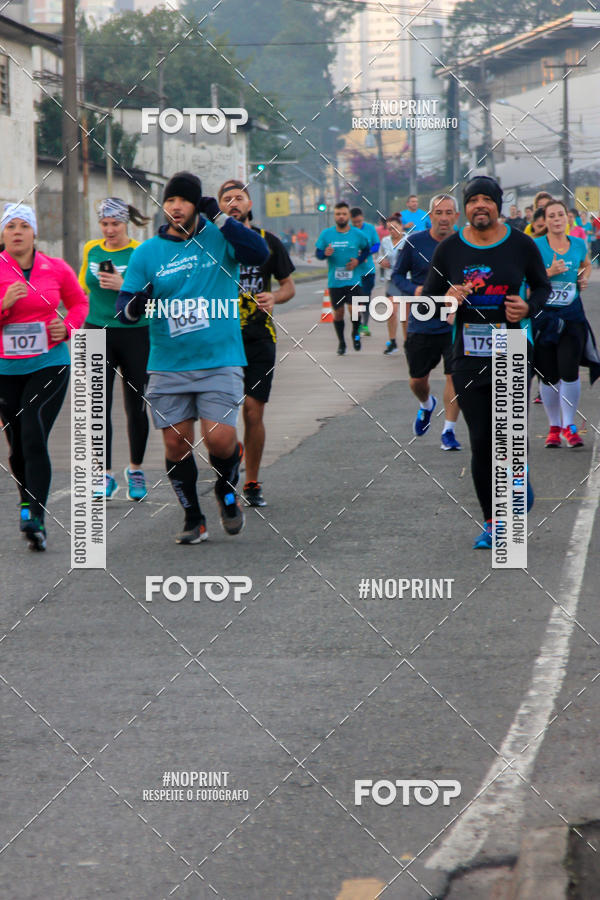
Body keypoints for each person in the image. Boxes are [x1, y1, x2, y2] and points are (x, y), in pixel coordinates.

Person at [116, 171, 269, 544]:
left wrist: (220, 216)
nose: (175, 207)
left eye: (183, 200)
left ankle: (225, 490)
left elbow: (259, 253)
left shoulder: (220, 238)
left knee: (218, 439)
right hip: (168, 363)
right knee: (175, 444)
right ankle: (193, 517)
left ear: (197, 205)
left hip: (220, 358)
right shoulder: (148, 252)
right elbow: (124, 308)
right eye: (170, 201)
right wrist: (137, 304)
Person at [421, 176, 551, 549]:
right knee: (480, 440)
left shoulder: (520, 244)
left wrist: (529, 307)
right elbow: (429, 302)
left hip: (511, 347)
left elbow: (541, 287)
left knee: (507, 437)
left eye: (487, 200)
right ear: (466, 208)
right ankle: (493, 522)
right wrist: (448, 297)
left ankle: (516, 474)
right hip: (468, 353)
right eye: (474, 200)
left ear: (498, 205)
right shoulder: (449, 249)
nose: (480, 206)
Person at [0, 203, 88, 550]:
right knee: (17, 443)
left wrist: (66, 327)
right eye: (11, 226)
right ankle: (26, 503)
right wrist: (5, 304)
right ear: (3, 234)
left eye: (24, 225)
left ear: (35, 232)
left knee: (34, 430)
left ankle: (36, 515)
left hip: (49, 363)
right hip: (5, 369)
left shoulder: (55, 267)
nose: (17, 231)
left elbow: (80, 303)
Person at [218, 179, 295, 507]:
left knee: (253, 410)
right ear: (219, 207)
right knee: (223, 415)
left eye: (239, 198)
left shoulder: (269, 242)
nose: (233, 203)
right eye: (227, 199)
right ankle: (230, 455)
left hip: (260, 337)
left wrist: (274, 296)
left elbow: (289, 286)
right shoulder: (213, 243)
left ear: (250, 204)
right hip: (221, 337)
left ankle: (251, 481)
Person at [79, 198, 150, 501]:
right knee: (97, 407)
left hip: (135, 332)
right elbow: (84, 283)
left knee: (135, 406)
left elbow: (150, 294)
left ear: (126, 224)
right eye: (105, 224)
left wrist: (123, 284)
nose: (109, 230)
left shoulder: (138, 252)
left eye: (115, 224)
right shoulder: (91, 249)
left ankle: (135, 469)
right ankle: (103, 474)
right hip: (97, 330)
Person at [391, 194, 462, 451]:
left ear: (456, 215)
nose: (444, 218)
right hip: (422, 321)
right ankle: (426, 405)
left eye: (448, 212)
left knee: (454, 376)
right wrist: (414, 290)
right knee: (417, 381)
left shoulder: (463, 242)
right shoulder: (415, 242)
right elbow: (397, 276)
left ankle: (449, 431)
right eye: (438, 212)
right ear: (430, 216)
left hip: (455, 322)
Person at [534, 200, 594, 448]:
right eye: (552, 216)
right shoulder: (536, 246)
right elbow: (525, 276)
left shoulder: (578, 244)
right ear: (545, 221)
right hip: (544, 318)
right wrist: (548, 272)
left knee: (569, 370)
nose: (557, 219)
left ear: (568, 219)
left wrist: (583, 277)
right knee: (548, 375)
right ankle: (553, 427)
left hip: (571, 317)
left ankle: (569, 425)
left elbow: (587, 264)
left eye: (561, 215)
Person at [315, 202, 371, 354]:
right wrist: (324, 253)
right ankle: (341, 343)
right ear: (334, 216)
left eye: (344, 214)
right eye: (338, 214)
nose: (341, 217)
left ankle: (355, 334)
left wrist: (358, 261)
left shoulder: (358, 234)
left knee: (355, 310)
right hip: (335, 282)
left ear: (348, 216)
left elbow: (367, 249)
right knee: (338, 313)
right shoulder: (326, 234)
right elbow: (318, 253)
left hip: (353, 280)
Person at [350, 207, 380, 336]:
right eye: (354, 222)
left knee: (365, 298)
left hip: (368, 270)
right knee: (355, 299)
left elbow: (377, 244)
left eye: (359, 221)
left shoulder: (370, 228)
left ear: (362, 217)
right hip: (353, 272)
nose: (357, 224)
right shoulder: (348, 231)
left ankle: (365, 325)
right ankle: (357, 326)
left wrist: (367, 252)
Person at [379, 216, 405, 355]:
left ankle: (408, 343)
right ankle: (393, 342)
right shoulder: (385, 241)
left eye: (395, 228)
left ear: (401, 226)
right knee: (391, 311)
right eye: (389, 229)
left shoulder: (409, 240)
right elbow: (379, 256)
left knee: (406, 316)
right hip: (392, 280)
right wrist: (381, 261)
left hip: (407, 280)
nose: (392, 231)